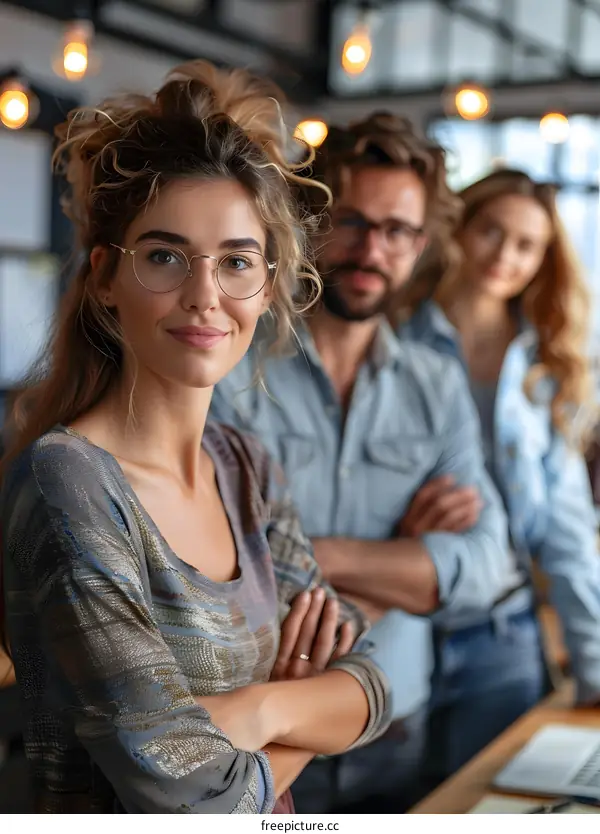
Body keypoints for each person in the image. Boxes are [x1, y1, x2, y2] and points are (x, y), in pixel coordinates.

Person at [0, 61, 391, 814]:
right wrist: (306, 706)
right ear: (107, 276)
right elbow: (192, 803)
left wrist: (262, 711)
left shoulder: (246, 465)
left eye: (237, 262)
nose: (204, 295)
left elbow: (373, 684)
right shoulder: (69, 483)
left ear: (268, 286)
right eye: (166, 256)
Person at [210, 113, 519, 813]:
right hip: (258, 735)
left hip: (393, 725)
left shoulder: (435, 386)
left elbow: (485, 565)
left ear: (422, 242)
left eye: (398, 231)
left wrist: (313, 554)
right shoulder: (232, 370)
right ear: (310, 221)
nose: (372, 249)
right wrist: (401, 557)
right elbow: (220, 588)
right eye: (351, 221)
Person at [397, 168, 600, 781]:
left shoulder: (546, 370)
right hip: (395, 619)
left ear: (543, 259)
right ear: (458, 227)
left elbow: (567, 530)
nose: (505, 256)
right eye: (491, 231)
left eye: (526, 244)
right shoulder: (391, 337)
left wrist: (593, 664)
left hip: (501, 633)